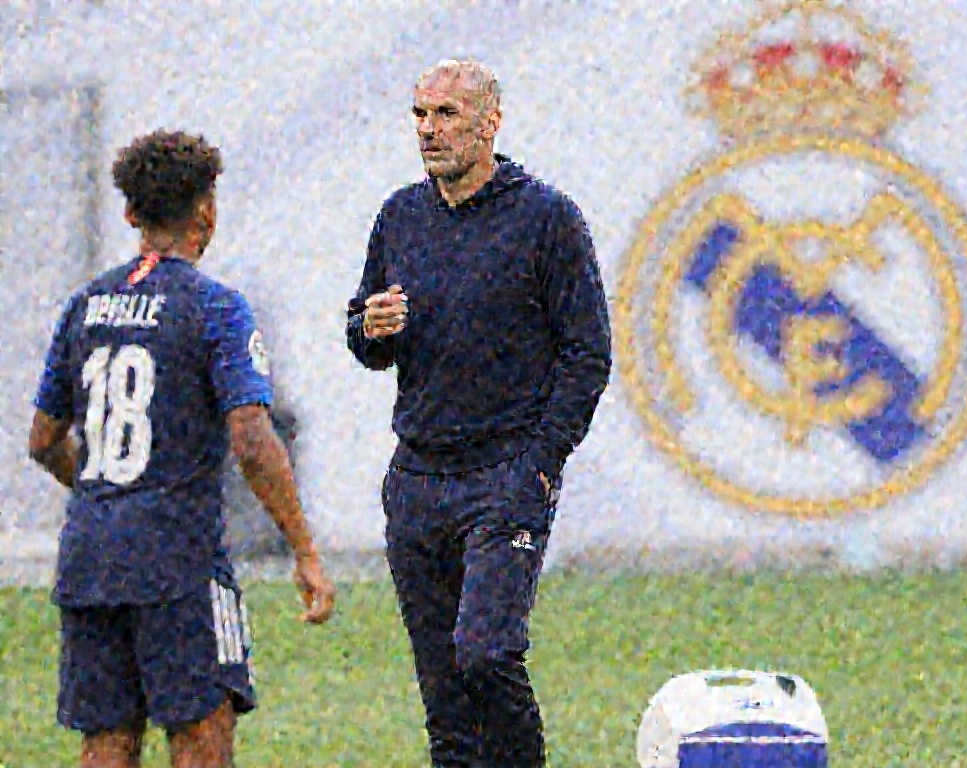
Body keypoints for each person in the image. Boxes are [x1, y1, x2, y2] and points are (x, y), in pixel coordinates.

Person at [28, 129, 336, 768]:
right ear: (207, 211)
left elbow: (43, 439)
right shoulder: (214, 308)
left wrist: (104, 493)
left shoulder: (85, 306)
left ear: (131, 214)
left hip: (90, 557)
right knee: (201, 735)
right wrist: (305, 550)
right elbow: (252, 440)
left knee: (107, 740)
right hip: (177, 560)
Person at [346, 60, 612, 767]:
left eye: (447, 114)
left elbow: (588, 354)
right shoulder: (400, 217)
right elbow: (365, 336)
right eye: (420, 115)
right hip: (417, 478)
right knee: (446, 705)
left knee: (486, 655)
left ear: (491, 122)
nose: (429, 130)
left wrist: (542, 463)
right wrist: (370, 328)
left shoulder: (546, 218)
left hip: (504, 475)